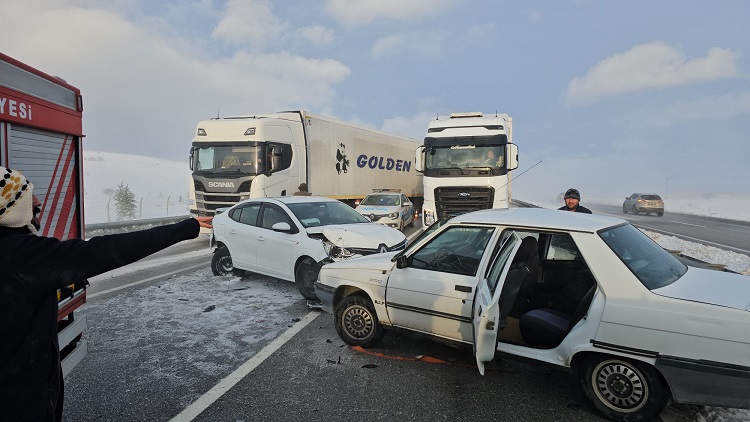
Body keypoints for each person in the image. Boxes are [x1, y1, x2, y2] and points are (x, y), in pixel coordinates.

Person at [0, 166, 213, 422]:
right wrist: (185, 228)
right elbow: (107, 251)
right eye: (29, 199)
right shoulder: (18, 255)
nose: (39, 203)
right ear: (11, 208)